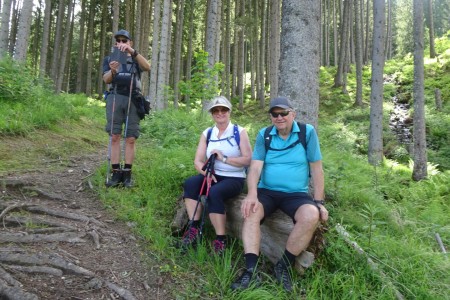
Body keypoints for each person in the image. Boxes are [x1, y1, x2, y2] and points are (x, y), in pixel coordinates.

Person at [231, 96, 329, 292]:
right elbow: (256, 168)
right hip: (267, 191)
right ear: (271, 117)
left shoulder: (306, 133)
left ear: (292, 113)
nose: (279, 117)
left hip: (296, 194)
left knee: (310, 215)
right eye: (275, 114)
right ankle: (250, 270)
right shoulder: (264, 135)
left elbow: (317, 169)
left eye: (283, 113)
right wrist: (251, 194)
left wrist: (318, 201)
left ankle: (283, 266)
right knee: (250, 211)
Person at [180, 96, 252, 254]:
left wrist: (224, 158)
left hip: (234, 178)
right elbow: (198, 161)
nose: (220, 113)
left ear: (229, 111)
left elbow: (248, 159)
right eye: (216, 110)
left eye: (223, 109)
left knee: (215, 192)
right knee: (191, 184)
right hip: (212, 174)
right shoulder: (208, 133)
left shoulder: (239, 132)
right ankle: (194, 228)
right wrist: (206, 173)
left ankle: (221, 239)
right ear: (212, 113)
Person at [102, 29, 150, 188]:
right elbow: (106, 79)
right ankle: (116, 173)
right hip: (115, 97)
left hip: (133, 99)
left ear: (130, 42)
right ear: (116, 43)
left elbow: (147, 67)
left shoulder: (136, 59)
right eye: (119, 41)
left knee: (130, 138)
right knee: (115, 135)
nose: (122, 43)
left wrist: (132, 52)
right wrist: (113, 70)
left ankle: (127, 174)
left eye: (125, 40)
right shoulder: (110, 59)